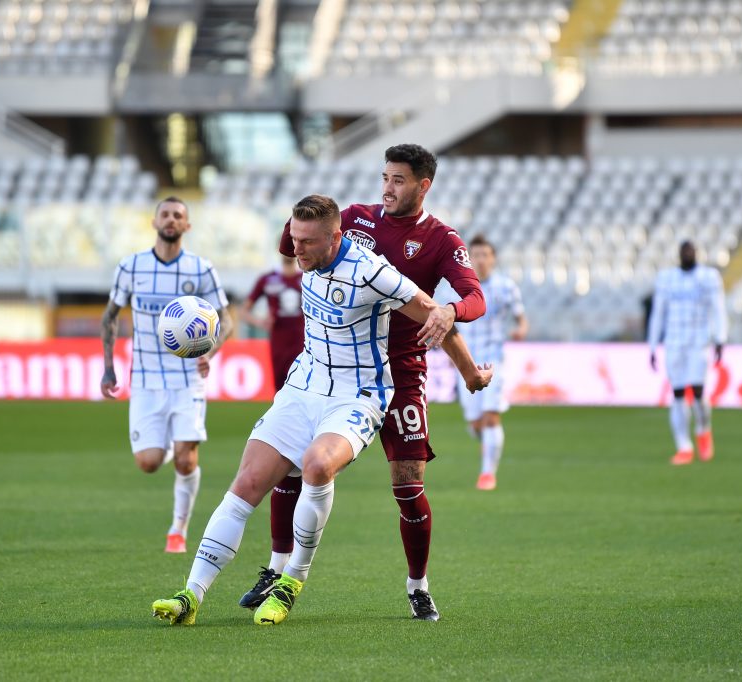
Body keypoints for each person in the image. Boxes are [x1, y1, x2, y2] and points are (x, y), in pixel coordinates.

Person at [150, 194, 491, 626]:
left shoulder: (371, 272)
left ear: (335, 238)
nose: (296, 250)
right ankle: (190, 595)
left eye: (306, 242)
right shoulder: (305, 256)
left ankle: (291, 582)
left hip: (357, 394)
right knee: (247, 482)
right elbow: (294, 242)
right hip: (303, 386)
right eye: (294, 239)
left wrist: (470, 374)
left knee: (316, 466)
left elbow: (434, 316)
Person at [240, 144, 486, 622]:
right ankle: (275, 568)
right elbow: (290, 245)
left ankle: (418, 586)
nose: (388, 188)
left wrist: (452, 315)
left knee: (408, 483)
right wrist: (303, 224)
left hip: (402, 372)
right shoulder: (355, 218)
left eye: (399, 180)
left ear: (423, 186)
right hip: (341, 373)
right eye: (385, 177)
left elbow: (473, 299)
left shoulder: (440, 239)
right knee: (291, 464)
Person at [100, 197, 232, 552]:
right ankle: (171, 443)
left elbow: (227, 320)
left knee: (187, 460)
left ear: (187, 225)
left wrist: (210, 352)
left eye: (178, 215)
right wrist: (108, 368)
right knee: (148, 462)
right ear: (154, 221)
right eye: (165, 214)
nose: (171, 219)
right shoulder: (131, 267)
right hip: (145, 379)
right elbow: (110, 316)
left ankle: (178, 529)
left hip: (188, 379)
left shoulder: (200, 269)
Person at [456, 235, 528, 490]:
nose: (480, 260)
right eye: (476, 255)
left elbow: (521, 318)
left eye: (485, 255)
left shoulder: (506, 286)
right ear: (469, 258)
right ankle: (487, 443)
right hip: (465, 361)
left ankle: (487, 474)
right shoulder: (458, 286)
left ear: (493, 259)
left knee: (490, 417)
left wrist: (521, 329)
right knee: (476, 424)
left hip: (494, 359)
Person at [647, 240, 727, 465]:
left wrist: (720, 338)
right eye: (684, 251)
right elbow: (658, 313)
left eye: (691, 250)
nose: (687, 254)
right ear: (679, 254)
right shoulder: (666, 278)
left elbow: (718, 309)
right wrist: (652, 345)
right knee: (678, 393)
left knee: (699, 391)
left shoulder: (708, 277)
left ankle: (703, 429)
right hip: (674, 342)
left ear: (696, 253)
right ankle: (684, 446)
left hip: (699, 342)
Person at [237, 255, 304, 391]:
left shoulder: (307, 277)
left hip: (303, 343)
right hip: (278, 343)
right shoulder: (268, 279)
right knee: (280, 389)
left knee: (303, 387)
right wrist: (260, 322)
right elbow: (243, 311)